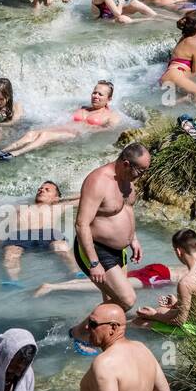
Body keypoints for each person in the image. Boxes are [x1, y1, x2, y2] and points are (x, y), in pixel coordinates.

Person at [69, 144, 153, 350]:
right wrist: (94, 263)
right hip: (97, 250)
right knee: (127, 299)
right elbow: (81, 224)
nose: (142, 176)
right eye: (141, 171)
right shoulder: (98, 181)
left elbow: (127, 210)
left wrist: (133, 238)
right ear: (126, 164)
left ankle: (104, 341)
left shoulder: (128, 182)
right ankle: (79, 333)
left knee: (114, 303)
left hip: (119, 251)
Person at [0, 82, 120, 161]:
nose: (95, 96)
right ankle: (1, 151)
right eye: (94, 92)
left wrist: (90, 129)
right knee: (32, 133)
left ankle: (12, 155)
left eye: (100, 94)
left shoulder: (111, 115)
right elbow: (64, 116)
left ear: (109, 99)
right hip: (63, 128)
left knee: (44, 136)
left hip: (76, 134)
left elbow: (110, 129)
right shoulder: (83, 108)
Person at [133, 228, 196, 329]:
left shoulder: (186, 283)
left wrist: (153, 315)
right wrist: (177, 303)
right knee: (161, 310)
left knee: (138, 321)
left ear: (178, 251)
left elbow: (180, 321)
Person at [78, 304, 171, 391]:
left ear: (113, 327)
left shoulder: (105, 364)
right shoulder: (143, 349)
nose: (86, 327)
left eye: (93, 324)